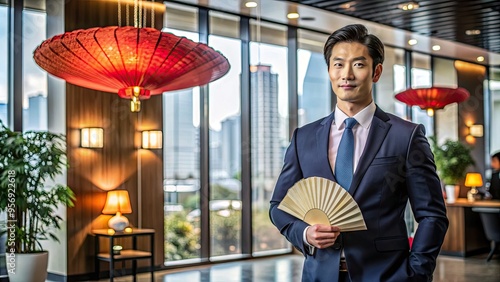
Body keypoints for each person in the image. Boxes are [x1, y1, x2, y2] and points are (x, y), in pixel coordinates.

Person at [269, 24, 448, 282]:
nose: (347, 75)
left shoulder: (406, 136)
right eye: (338, 64)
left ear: (376, 72)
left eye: (359, 65)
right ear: (329, 70)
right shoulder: (303, 138)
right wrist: (305, 233)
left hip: (387, 274)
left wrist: (417, 274)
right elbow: (278, 206)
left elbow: (432, 215)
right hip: (319, 275)